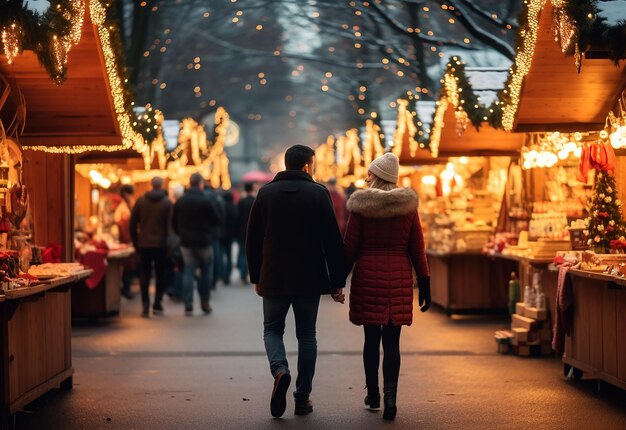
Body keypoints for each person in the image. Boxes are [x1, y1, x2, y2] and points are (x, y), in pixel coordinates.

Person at [246, 144, 347, 418]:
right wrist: (337, 279)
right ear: (306, 166)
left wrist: (256, 275)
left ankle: (280, 369)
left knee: (272, 329)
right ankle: (302, 398)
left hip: (274, 275)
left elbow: (253, 239)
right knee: (307, 335)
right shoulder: (318, 193)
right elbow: (332, 239)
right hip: (309, 276)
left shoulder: (265, 193)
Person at [343, 152, 431, 421]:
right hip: (399, 277)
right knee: (392, 342)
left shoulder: (361, 207)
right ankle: (391, 399)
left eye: (371, 172)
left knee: (371, 340)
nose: (367, 176)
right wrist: (425, 283)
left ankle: (374, 396)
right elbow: (417, 247)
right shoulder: (407, 208)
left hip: (368, 274)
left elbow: (350, 248)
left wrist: (336, 281)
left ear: (377, 176)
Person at [172, 173, 220, 316]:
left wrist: (181, 234)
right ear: (200, 184)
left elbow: (174, 222)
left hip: (186, 242)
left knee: (188, 271)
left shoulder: (181, 201)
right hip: (204, 241)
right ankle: (205, 302)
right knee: (205, 271)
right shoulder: (206, 200)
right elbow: (216, 219)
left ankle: (188, 304)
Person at [130, 176, 173, 317]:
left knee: (144, 274)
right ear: (161, 186)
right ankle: (158, 303)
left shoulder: (140, 201)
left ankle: (145, 305)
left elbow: (132, 224)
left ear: (150, 185)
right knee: (160, 274)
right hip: (161, 245)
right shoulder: (167, 203)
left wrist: (136, 242)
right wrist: (170, 245)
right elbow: (170, 227)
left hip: (144, 244)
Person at [114, 184, 136, 299]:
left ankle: (126, 288)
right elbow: (123, 226)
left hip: (126, 239)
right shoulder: (123, 207)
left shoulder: (124, 206)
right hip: (126, 239)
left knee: (128, 265)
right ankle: (125, 288)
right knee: (127, 265)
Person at [236, 182, 255, 283]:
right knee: (252, 253)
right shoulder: (254, 201)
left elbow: (237, 217)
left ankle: (243, 274)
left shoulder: (241, 202)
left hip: (242, 231)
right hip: (253, 231)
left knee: (243, 253)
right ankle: (250, 274)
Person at [220, 191, 238, 285]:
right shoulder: (233, 207)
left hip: (221, 234)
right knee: (229, 255)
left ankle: (223, 274)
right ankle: (228, 274)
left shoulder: (221, 206)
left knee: (221, 255)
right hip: (230, 235)